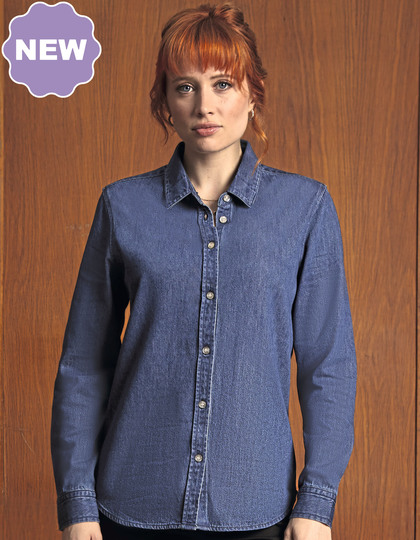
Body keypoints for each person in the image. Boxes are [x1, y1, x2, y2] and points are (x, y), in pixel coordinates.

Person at [51, 4, 357, 540]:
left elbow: (327, 366)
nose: (204, 106)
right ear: (165, 101)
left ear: (252, 94)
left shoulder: (305, 208)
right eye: (185, 87)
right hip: (131, 504)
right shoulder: (123, 207)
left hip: (254, 507)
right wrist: (78, 505)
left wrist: (316, 502)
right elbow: (84, 365)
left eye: (223, 84)